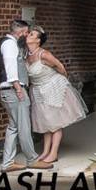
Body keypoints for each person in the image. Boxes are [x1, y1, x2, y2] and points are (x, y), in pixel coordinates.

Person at [23, 25, 88, 164]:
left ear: (38, 41)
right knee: (45, 122)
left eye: (32, 34)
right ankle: (46, 151)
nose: (29, 35)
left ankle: (54, 153)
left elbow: (60, 66)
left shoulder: (44, 54)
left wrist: (62, 82)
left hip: (52, 88)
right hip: (38, 90)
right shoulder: (26, 55)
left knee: (55, 122)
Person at [0, 19, 53, 173]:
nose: (27, 35)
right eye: (27, 32)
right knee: (24, 126)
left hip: (9, 91)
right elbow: (10, 66)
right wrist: (18, 88)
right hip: (14, 90)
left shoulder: (13, 44)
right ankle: (32, 159)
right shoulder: (9, 44)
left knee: (13, 127)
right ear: (20, 32)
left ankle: (7, 163)